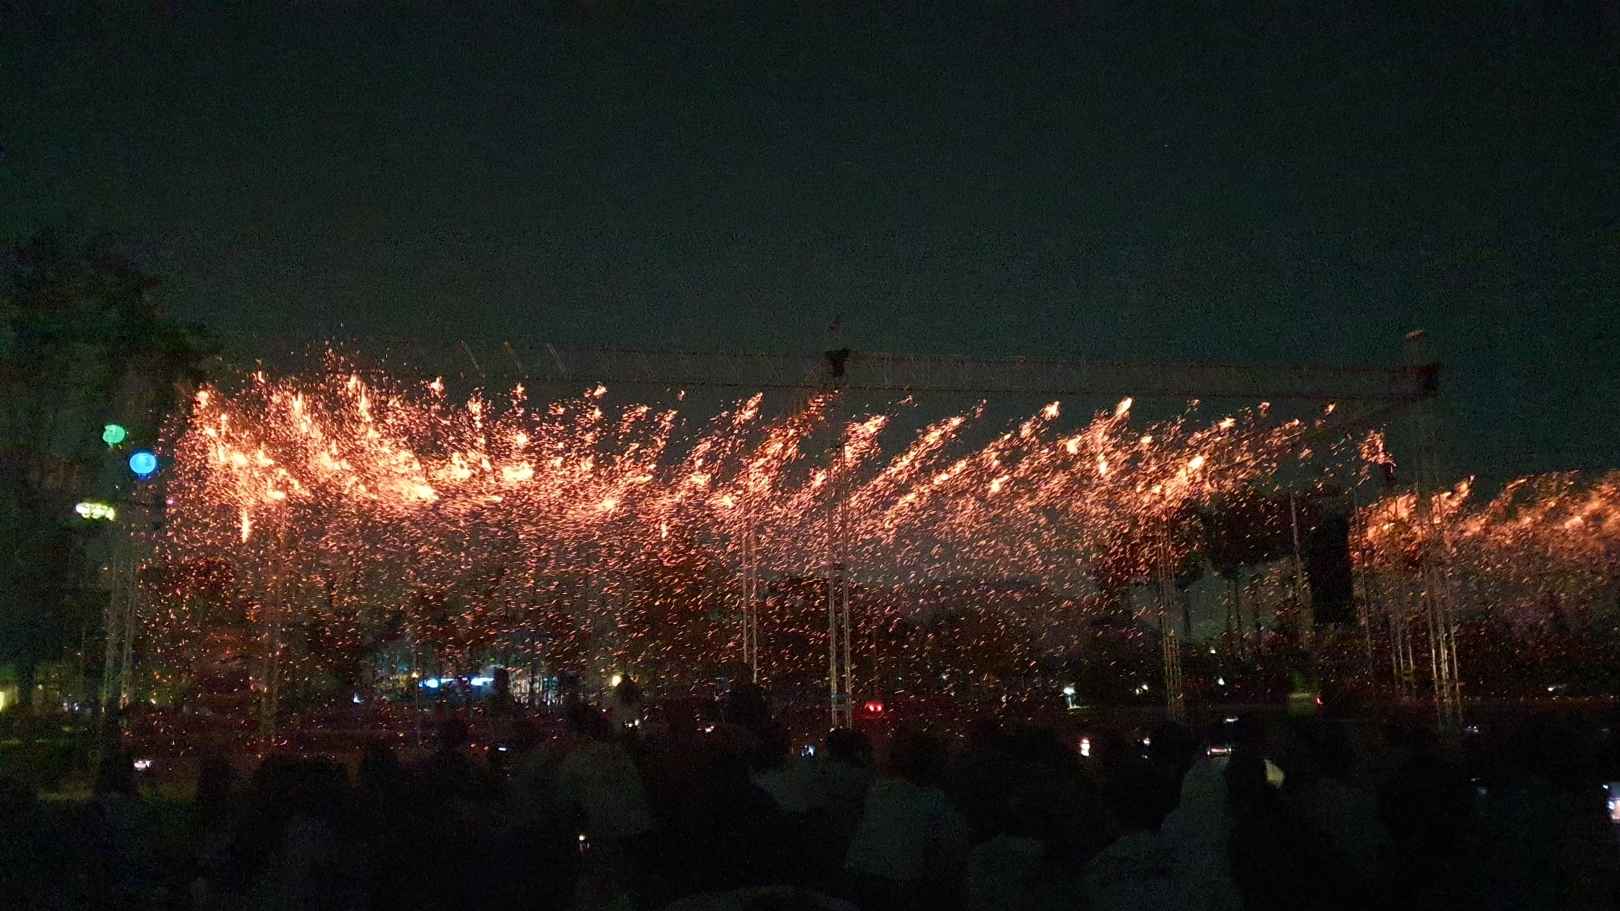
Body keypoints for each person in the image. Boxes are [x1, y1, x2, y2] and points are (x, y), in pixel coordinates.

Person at [844, 727, 970, 911]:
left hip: (859, 872)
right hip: (902, 881)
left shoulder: (878, 790)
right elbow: (953, 847)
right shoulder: (935, 800)